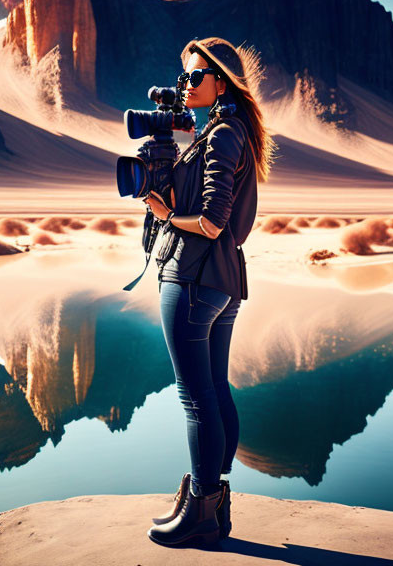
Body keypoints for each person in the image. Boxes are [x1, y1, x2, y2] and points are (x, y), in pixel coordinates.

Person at [144, 37, 276, 547]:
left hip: (195, 277)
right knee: (216, 391)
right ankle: (211, 503)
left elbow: (213, 221)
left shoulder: (223, 134)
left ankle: (201, 511)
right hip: (224, 283)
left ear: (222, 80)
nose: (186, 85)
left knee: (196, 399)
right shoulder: (227, 130)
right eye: (184, 77)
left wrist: (165, 216)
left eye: (195, 76)